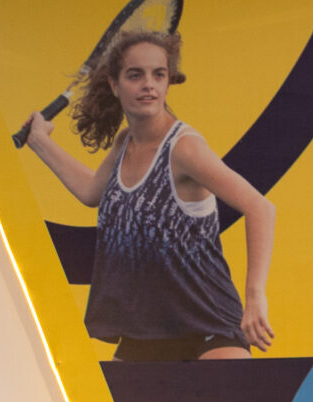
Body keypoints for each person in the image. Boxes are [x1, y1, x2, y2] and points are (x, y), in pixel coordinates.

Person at [22, 28, 273, 361]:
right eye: (135, 75)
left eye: (159, 74)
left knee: (233, 396)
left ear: (168, 83)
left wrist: (255, 297)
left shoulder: (184, 148)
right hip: (146, 332)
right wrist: (40, 141)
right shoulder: (124, 143)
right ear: (115, 85)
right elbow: (91, 191)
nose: (148, 85)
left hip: (209, 325)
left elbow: (260, 207)